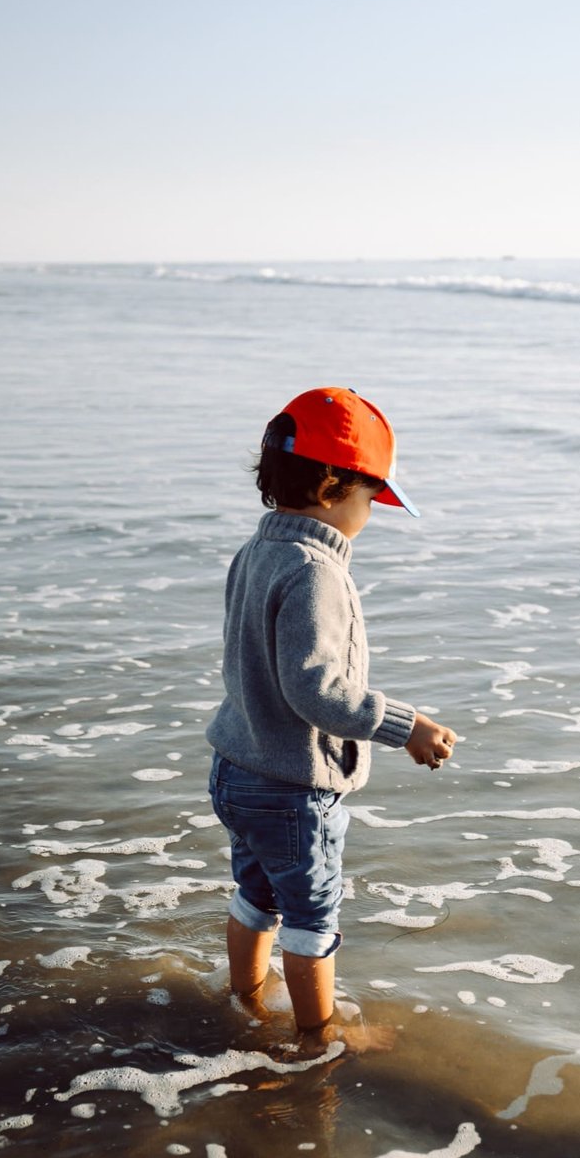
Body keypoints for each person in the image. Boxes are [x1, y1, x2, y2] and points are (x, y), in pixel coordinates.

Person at [206, 386, 459, 1033]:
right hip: (291, 787)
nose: (371, 512)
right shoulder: (315, 571)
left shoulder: (254, 551)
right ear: (331, 489)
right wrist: (409, 725)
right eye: (371, 496)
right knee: (312, 917)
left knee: (255, 894)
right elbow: (318, 691)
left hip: (236, 769)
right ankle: (317, 1039)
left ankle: (244, 1001)